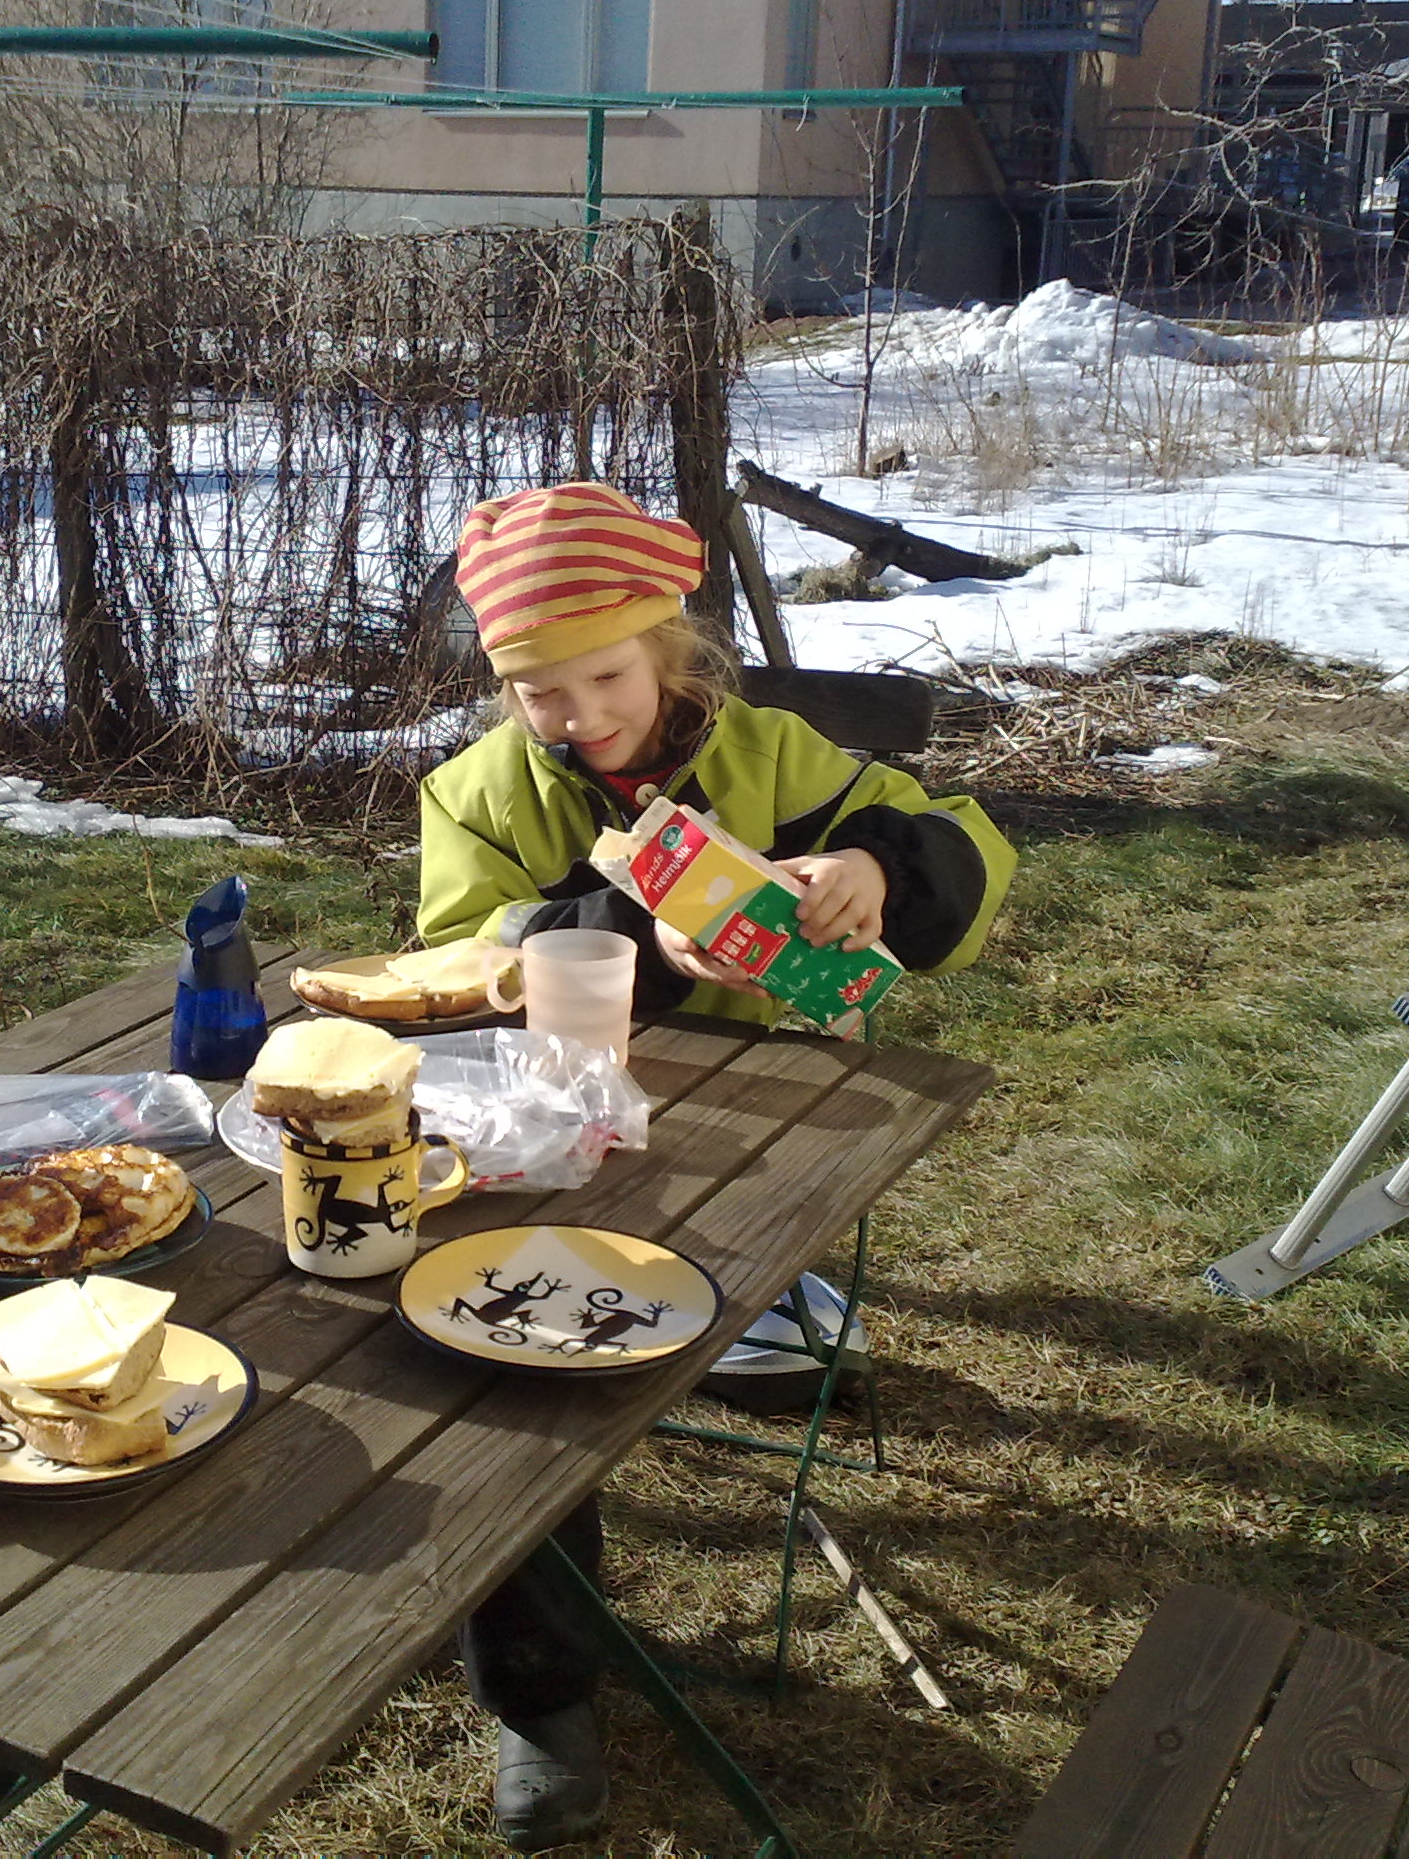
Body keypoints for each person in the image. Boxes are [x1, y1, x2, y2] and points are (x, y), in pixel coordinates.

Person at [416, 480, 1015, 1850]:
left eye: (608, 677)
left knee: (670, 1312)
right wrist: (634, 934)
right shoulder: (478, 793)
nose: (580, 715)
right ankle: (543, 1700)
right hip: (561, 1125)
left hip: (770, 1119)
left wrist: (873, 867)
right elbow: (464, 962)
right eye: (540, 692)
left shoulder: (774, 758)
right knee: (510, 1371)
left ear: (670, 652)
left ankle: (754, 1322)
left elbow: (963, 842)